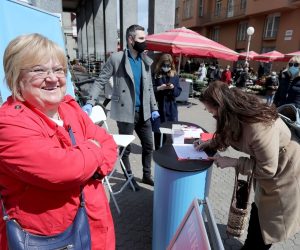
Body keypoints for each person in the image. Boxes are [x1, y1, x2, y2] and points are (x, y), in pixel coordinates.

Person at [0, 33, 118, 249]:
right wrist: (92, 150)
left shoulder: (68, 107)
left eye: (58, 70)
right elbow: (62, 170)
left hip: (95, 229)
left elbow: (108, 144)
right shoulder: (9, 124)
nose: (53, 78)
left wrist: (87, 164)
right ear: (16, 77)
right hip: (49, 240)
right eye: (39, 70)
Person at [195, 81, 300, 250]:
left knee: (268, 222)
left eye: (213, 114)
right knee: (258, 209)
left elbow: (267, 169)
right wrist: (211, 143)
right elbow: (228, 132)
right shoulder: (235, 114)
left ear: (223, 107)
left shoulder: (258, 126)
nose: (211, 116)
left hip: (284, 172)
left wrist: (233, 162)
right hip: (269, 171)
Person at [82, 24, 159, 189]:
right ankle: (129, 177)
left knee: (148, 145)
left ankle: (146, 175)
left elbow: (150, 86)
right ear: (131, 40)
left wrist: (154, 108)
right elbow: (100, 80)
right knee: (126, 149)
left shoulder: (145, 60)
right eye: (141, 39)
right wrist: (90, 102)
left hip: (144, 112)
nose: (144, 42)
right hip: (125, 111)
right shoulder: (117, 58)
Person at [152, 53, 182, 150]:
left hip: (170, 107)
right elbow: (150, 90)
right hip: (158, 107)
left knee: (171, 131)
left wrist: (173, 88)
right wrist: (159, 88)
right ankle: (158, 151)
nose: (166, 67)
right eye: (164, 65)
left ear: (171, 65)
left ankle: (168, 150)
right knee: (157, 131)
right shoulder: (156, 75)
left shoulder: (175, 76)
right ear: (160, 65)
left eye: (168, 65)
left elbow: (178, 92)